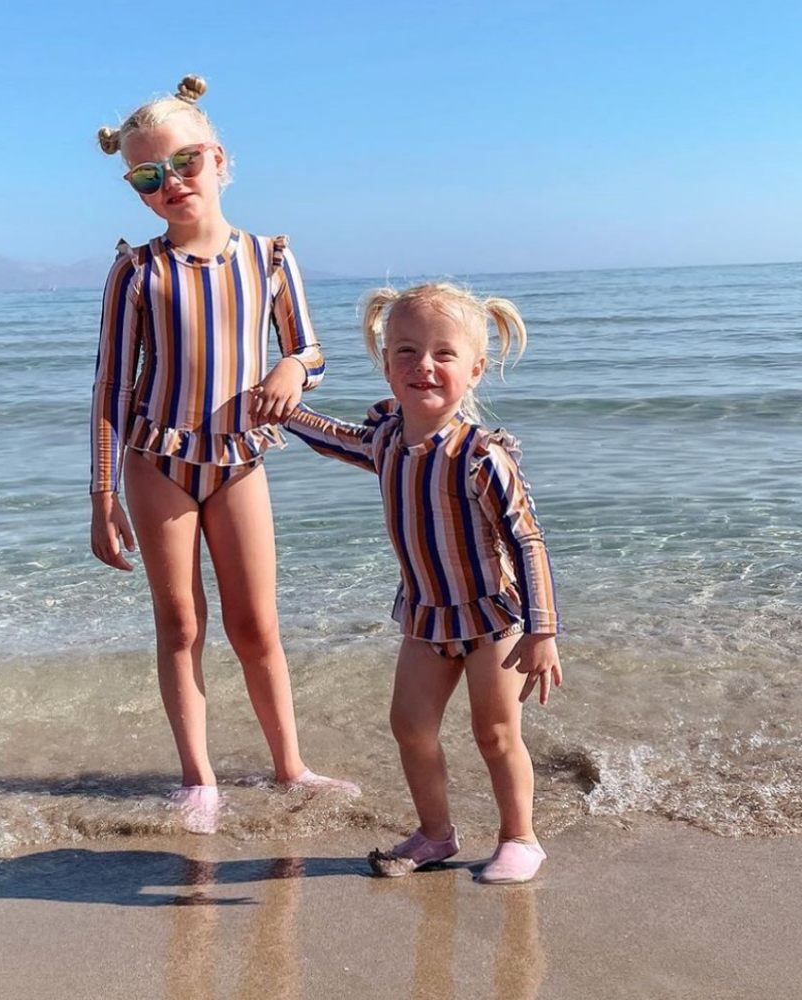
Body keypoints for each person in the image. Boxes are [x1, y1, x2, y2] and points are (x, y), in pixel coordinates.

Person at [90, 75, 359, 834]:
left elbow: (307, 346)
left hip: (240, 461)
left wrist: (290, 368)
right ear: (136, 189)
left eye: (184, 163)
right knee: (180, 624)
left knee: (257, 627)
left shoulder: (269, 256)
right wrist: (101, 496)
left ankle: (290, 766)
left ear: (219, 159)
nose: (170, 183)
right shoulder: (137, 271)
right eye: (148, 176)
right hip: (156, 463)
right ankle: (198, 778)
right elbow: (112, 385)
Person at [281, 282, 562, 882]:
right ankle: (436, 834)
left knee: (494, 732)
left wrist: (543, 632)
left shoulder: (482, 456)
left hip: (493, 617)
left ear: (476, 370)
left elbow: (527, 541)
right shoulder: (385, 439)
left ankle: (521, 837)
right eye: (405, 352)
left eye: (443, 354)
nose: (423, 366)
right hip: (427, 615)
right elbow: (333, 439)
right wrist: (279, 407)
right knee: (410, 727)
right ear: (386, 365)